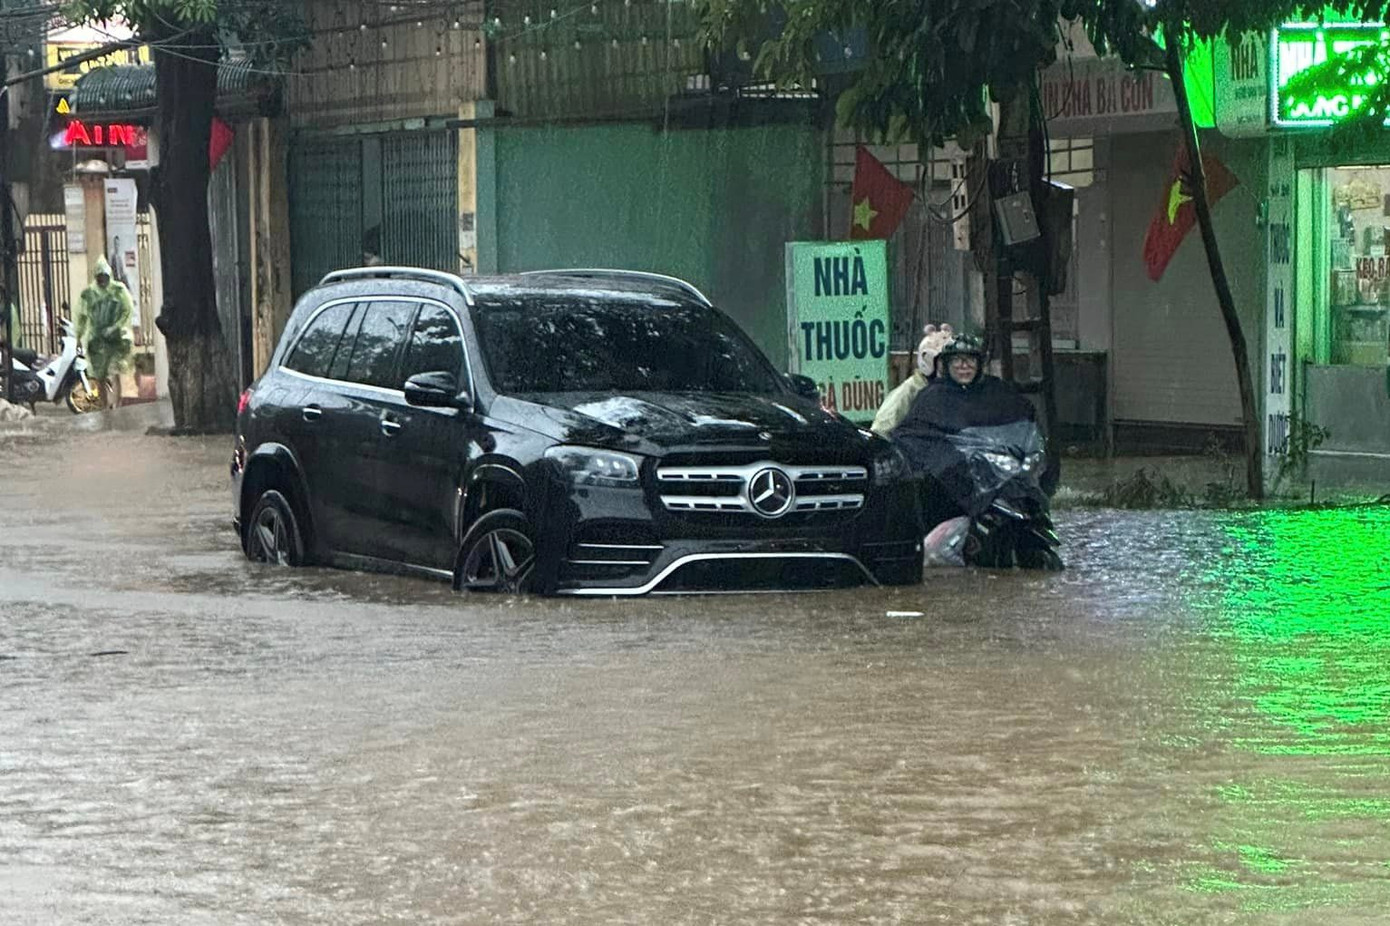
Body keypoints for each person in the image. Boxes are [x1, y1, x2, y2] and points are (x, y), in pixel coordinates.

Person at [870, 323, 953, 437]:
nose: (953, 366)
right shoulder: (908, 393)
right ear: (928, 360)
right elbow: (880, 431)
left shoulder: (954, 391)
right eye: (944, 361)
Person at [76, 257, 135, 409]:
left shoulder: (119, 290)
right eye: (99, 277)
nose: (102, 280)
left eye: (105, 276)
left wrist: (117, 327)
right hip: (96, 340)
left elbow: (127, 310)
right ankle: (104, 404)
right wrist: (78, 336)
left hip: (115, 340)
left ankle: (116, 403)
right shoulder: (88, 294)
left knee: (114, 371)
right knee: (99, 375)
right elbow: (81, 316)